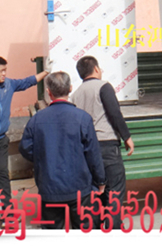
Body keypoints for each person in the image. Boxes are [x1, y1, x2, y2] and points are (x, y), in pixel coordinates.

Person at [19, 72, 106, 229]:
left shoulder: (37, 119)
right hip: (79, 187)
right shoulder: (83, 118)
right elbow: (93, 154)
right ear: (70, 88)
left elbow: (25, 148)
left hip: (49, 187)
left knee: (53, 236)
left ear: (49, 92)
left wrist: (45, 157)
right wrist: (100, 181)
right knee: (85, 233)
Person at [0, 56, 49, 209]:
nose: (4, 74)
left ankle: (8, 212)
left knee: (2, 176)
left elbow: (26, 82)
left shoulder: (8, 84)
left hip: (0, 140)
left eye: (5, 70)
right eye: (1, 71)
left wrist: (45, 72)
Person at [71, 56, 134, 229]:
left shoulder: (75, 94)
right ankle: (113, 230)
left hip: (87, 149)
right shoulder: (103, 87)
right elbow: (114, 113)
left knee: (95, 193)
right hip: (107, 145)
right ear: (96, 69)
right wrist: (127, 137)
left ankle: (96, 230)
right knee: (114, 191)